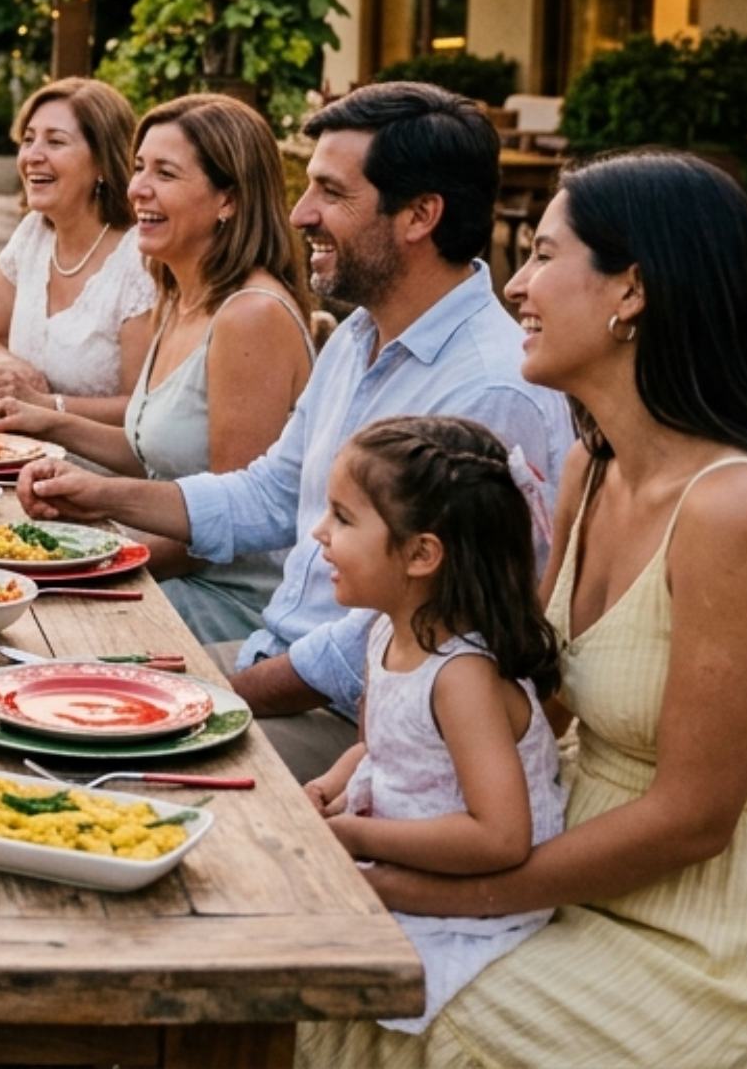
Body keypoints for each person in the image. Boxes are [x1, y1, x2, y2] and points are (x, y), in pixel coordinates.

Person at [299, 152, 747, 1069]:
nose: (517, 284)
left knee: (422, 1014)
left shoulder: (740, 505)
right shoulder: (588, 468)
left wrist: (435, 889)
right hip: (557, 861)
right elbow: (525, 686)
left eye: (542, 255)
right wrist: (366, 770)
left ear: (631, 290)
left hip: (707, 926)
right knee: (328, 978)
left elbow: (695, 817)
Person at [17, 83, 574, 782]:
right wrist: (101, 496)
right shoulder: (360, 336)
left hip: (361, 728)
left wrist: (210, 700)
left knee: (77, 763)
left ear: (420, 215)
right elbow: (270, 494)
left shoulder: (489, 389)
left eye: (331, 194)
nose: (300, 214)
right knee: (40, 694)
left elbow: (410, 630)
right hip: (270, 660)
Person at [0, 93, 313, 641]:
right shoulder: (179, 294)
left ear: (228, 198)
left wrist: (92, 564)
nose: (138, 189)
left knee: (22, 625)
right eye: (138, 168)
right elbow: (151, 450)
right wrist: (43, 421)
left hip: (229, 601)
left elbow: (232, 523)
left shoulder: (250, 316)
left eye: (165, 173)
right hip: (159, 558)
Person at [303, 416, 567, 1039]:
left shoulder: (462, 676)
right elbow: (383, 747)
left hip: (471, 901)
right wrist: (328, 787)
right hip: (408, 862)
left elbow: (500, 837)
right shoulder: (387, 634)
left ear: (422, 553)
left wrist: (358, 839)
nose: (320, 532)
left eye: (342, 518)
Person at [0, 77, 154, 424]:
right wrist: (12, 367)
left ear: (103, 163)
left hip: (96, 470)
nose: (32, 156)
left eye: (56, 142)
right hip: (18, 450)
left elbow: (144, 414)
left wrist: (44, 404)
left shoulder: (139, 260)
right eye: (28, 140)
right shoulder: (34, 232)